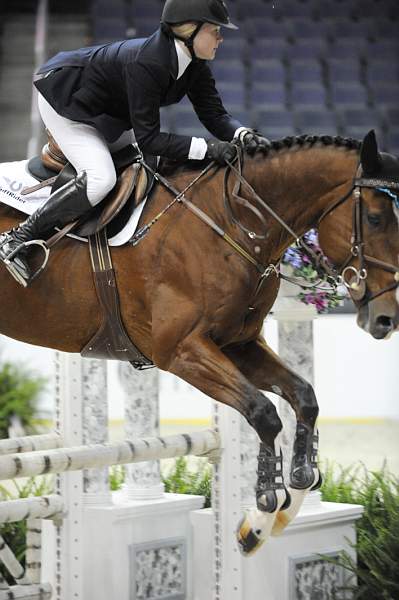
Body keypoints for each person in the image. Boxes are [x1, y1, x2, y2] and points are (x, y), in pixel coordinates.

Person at [0, 0, 270, 286]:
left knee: (147, 167)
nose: (220, 37)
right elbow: (150, 140)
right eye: (214, 30)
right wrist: (209, 149)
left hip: (109, 112)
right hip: (68, 103)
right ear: (189, 31)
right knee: (101, 178)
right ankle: (17, 238)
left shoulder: (194, 64)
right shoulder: (149, 62)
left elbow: (214, 115)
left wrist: (242, 135)